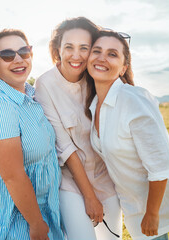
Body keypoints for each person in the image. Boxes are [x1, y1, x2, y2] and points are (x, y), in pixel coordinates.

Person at [86, 29, 169, 240]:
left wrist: (153, 213)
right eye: (96, 51)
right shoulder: (93, 105)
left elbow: (160, 164)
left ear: (123, 68)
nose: (102, 57)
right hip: (135, 204)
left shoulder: (133, 99)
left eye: (112, 54)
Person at [35, 17, 122, 240]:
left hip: (105, 175)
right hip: (72, 180)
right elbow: (63, 144)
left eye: (84, 48)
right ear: (57, 50)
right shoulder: (45, 84)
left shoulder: (97, 77)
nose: (76, 55)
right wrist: (89, 196)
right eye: (69, 47)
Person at [0, 29, 64, 240]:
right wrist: (36, 224)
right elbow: (13, 176)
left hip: (41, 203)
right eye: (7, 55)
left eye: (24, 51)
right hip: (14, 211)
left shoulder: (31, 94)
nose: (17, 59)